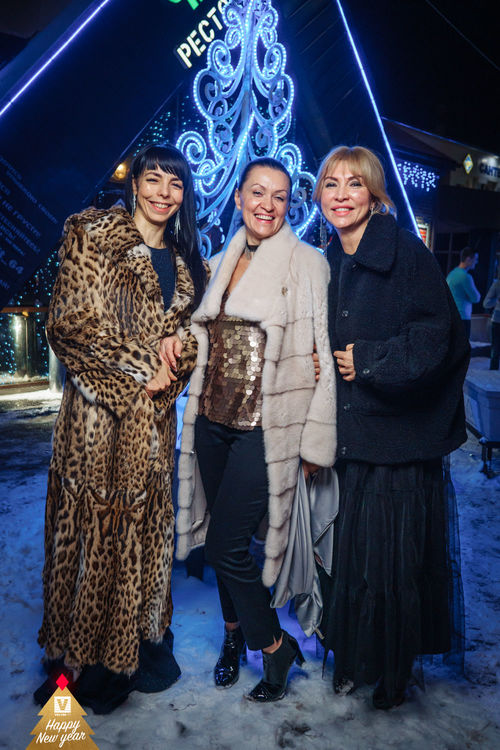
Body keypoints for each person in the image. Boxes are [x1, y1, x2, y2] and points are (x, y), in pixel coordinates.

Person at [35, 143, 207, 713]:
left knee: (141, 542)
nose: (163, 193)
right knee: (87, 541)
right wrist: (140, 366)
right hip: (96, 428)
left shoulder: (188, 262)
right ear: (134, 184)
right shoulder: (92, 235)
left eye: (175, 184)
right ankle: (77, 658)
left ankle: (131, 648)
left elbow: (188, 340)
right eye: (153, 179)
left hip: (153, 432)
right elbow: (68, 325)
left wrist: (178, 354)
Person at [173, 157, 336, 702]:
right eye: (258, 192)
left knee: (225, 545)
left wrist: (314, 441)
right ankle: (232, 636)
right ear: (239, 197)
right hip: (211, 423)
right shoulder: (218, 262)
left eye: (280, 196)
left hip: (265, 430)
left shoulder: (308, 263)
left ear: (290, 205)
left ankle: (273, 645)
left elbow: (322, 355)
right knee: (222, 538)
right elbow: (203, 340)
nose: (268, 204)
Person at [314, 145, 469, 710]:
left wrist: (372, 360)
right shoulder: (329, 257)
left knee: (391, 564)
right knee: (351, 560)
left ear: (374, 195)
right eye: (331, 184)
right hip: (349, 439)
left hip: (397, 445)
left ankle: (391, 672)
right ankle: (356, 658)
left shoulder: (405, 250)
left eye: (354, 184)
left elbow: (439, 335)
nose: (341, 195)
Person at [446, 247, 481, 339]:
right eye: (475, 259)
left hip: (451, 316)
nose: (476, 262)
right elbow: (476, 298)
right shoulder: (465, 276)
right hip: (463, 317)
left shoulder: (452, 274)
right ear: (468, 259)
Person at [483, 267, 500, 370]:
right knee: (495, 350)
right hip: (498, 320)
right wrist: (497, 301)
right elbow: (486, 303)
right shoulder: (497, 284)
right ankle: (493, 372)